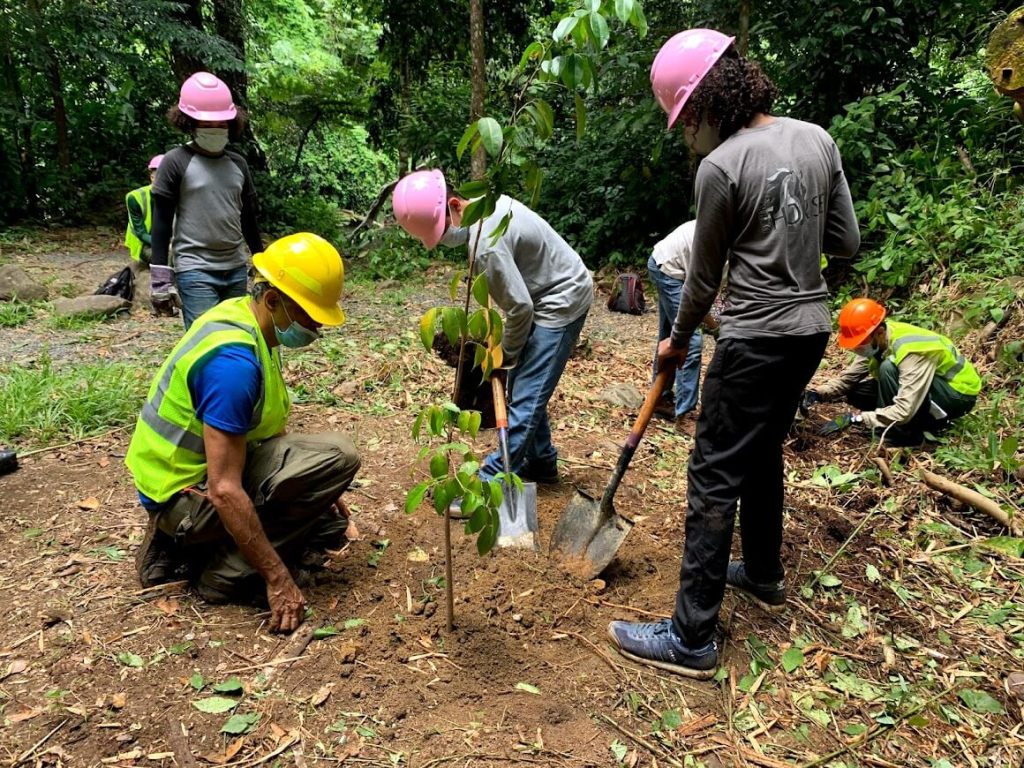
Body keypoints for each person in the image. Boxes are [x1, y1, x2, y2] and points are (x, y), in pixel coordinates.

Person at [607, 28, 861, 677]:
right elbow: (847, 242)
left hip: (752, 338)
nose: (685, 134)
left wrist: (678, 337)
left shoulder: (718, 168)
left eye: (684, 120)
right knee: (762, 449)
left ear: (702, 106)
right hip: (809, 333)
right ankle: (767, 571)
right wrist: (800, 274)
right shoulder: (818, 139)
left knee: (714, 471)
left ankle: (691, 638)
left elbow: (701, 277)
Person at [126, 233, 359, 634]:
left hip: (195, 477)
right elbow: (224, 489)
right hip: (184, 492)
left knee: (326, 524)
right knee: (339, 456)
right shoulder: (232, 364)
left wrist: (323, 492)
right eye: (309, 313)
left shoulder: (248, 319)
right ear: (273, 300)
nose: (317, 324)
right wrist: (277, 579)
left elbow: (265, 428)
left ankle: (191, 546)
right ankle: (221, 576)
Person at [392, 169, 593, 486]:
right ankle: (541, 463)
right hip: (541, 292)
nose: (444, 238)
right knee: (525, 388)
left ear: (456, 205)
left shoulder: (486, 244)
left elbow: (520, 308)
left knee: (527, 395)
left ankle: (489, 481)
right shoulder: (486, 205)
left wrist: (506, 356)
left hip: (561, 299)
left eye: (443, 229)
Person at [149, 72, 263, 329]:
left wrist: (262, 262)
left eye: (221, 124)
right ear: (189, 123)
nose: (215, 130)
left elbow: (248, 219)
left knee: (236, 335)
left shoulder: (238, 164)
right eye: (207, 124)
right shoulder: (175, 162)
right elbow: (162, 223)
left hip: (234, 266)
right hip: (194, 269)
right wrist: (160, 277)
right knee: (205, 339)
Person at [809, 298, 981, 445]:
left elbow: (905, 409)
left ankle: (900, 436)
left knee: (887, 368)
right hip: (930, 390)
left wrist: (857, 419)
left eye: (860, 342)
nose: (857, 348)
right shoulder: (877, 341)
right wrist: (817, 394)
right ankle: (901, 421)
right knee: (857, 393)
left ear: (880, 332)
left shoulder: (911, 350)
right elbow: (848, 380)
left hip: (956, 396)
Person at [648, 220, 704, 431]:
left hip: (672, 262)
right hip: (668, 267)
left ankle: (659, 399)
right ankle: (685, 414)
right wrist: (718, 328)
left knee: (669, 336)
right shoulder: (730, 248)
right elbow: (703, 295)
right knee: (690, 339)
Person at [124, 154, 164, 271]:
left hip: (170, 242)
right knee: (169, 258)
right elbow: (141, 233)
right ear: (152, 176)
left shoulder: (177, 196)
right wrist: (164, 244)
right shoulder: (135, 197)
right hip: (145, 244)